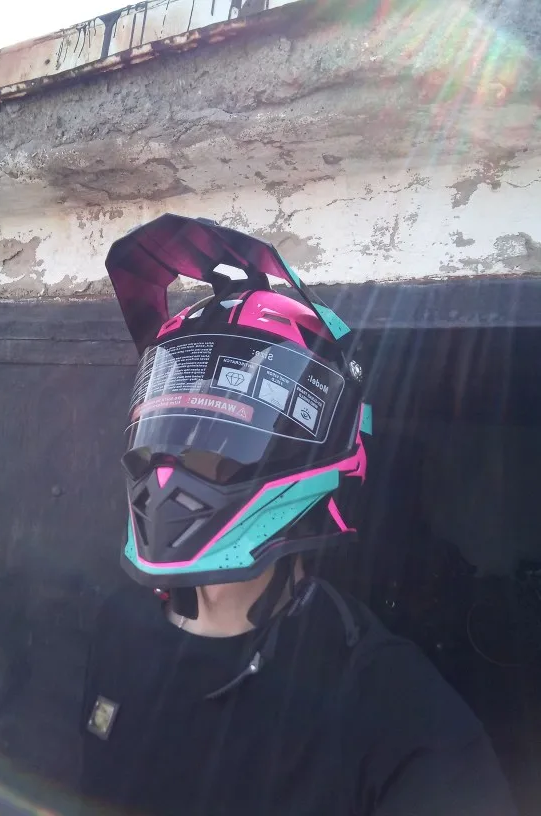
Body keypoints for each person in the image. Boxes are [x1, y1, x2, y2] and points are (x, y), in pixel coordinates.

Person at [80, 214, 517, 816]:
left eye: (217, 442)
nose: (171, 468)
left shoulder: (399, 714)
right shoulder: (117, 628)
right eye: (169, 431)